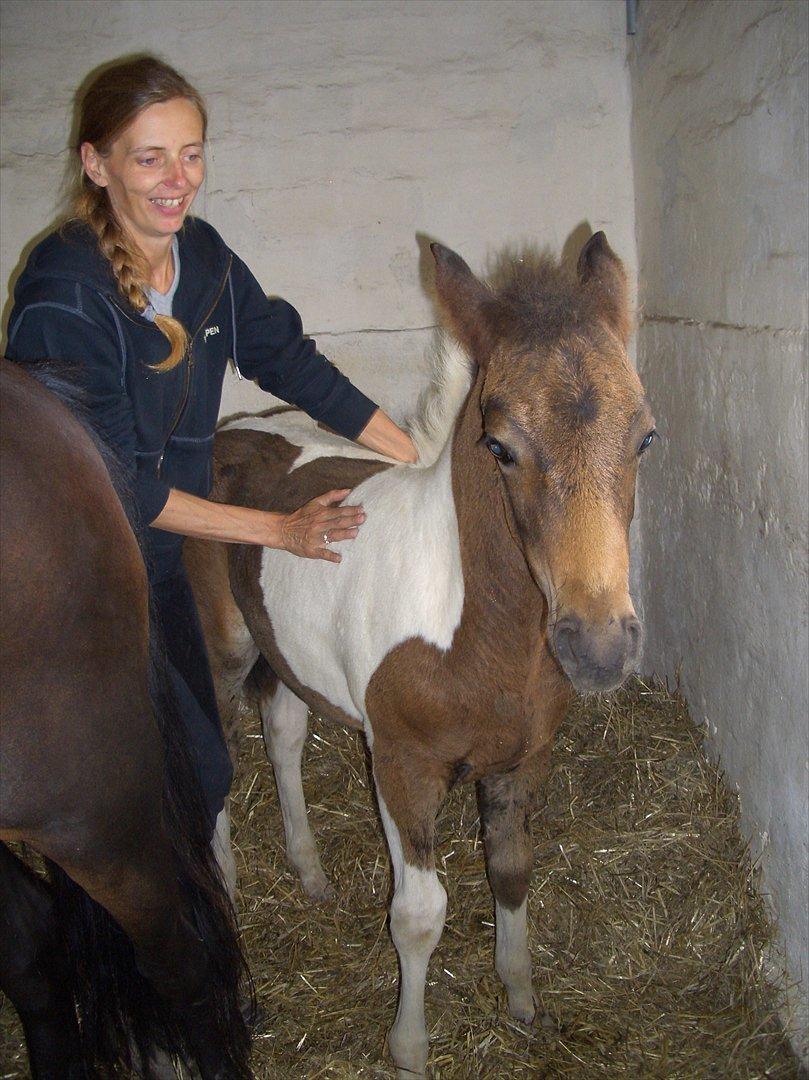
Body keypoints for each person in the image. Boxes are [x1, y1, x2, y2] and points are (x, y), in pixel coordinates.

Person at [5, 55, 418, 838]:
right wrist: (279, 530)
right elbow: (121, 486)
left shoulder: (205, 260)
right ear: (97, 164)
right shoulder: (64, 295)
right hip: (76, 571)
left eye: (191, 153)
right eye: (149, 156)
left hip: (157, 556)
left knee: (198, 767)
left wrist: (415, 460)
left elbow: (290, 362)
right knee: (123, 784)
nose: (178, 177)